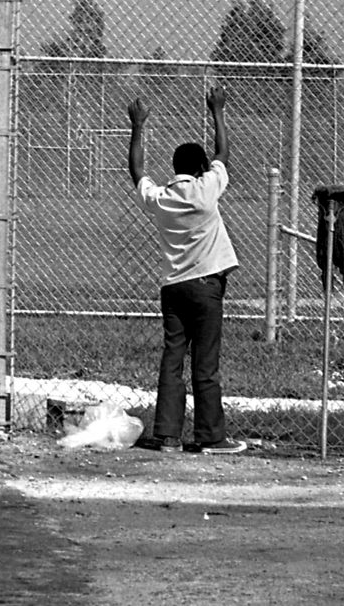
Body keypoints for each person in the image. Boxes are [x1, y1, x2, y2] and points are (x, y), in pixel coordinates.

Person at [127, 86, 246, 455]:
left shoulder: (162, 198)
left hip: (174, 288)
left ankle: (167, 436)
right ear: (198, 169)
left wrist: (138, 126)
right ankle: (211, 437)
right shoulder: (206, 189)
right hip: (207, 287)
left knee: (173, 359)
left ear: (176, 169)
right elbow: (223, 154)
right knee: (206, 364)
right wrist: (218, 110)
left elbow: (137, 171)